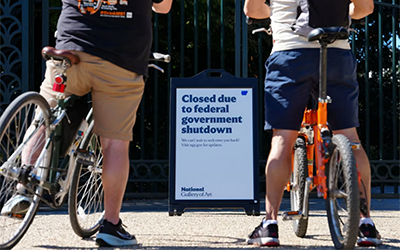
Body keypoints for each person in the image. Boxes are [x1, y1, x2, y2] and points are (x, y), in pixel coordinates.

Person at [1, 0, 172, 247]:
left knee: (44, 116)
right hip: (119, 60)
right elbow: (164, 6)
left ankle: (23, 188)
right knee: (114, 144)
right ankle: (111, 225)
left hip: (70, 50)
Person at [243, 0, 382, 247]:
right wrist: (346, 14)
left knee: (282, 139)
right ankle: (365, 224)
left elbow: (252, 10)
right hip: (337, 52)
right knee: (350, 136)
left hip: (289, 54)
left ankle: (270, 225)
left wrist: (275, 13)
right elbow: (365, 8)